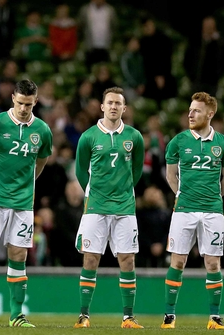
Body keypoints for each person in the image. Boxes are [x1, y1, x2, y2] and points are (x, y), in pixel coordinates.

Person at [0, 79, 53, 328]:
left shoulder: (43, 130)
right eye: (20, 103)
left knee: (19, 256)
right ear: (12, 99)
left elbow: (42, 160)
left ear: (35, 101)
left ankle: (16, 315)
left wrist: (27, 184)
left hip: (23, 202)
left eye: (28, 104)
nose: (24, 108)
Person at [160, 92, 224, 329]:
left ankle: (214, 317)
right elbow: (171, 175)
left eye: (197, 110)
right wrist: (181, 195)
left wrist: (213, 198)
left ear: (210, 114)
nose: (190, 114)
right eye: (190, 110)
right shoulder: (178, 141)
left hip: (213, 211)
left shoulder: (223, 143)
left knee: (213, 264)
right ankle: (169, 315)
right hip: (184, 210)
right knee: (178, 261)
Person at [73, 86, 145, 329]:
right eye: (110, 103)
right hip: (96, 207)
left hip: (125, 207)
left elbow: (136, 171)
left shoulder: (134, 137)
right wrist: (95, 193)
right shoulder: (89, 137)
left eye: (118, 103)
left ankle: (128, 317)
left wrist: (123, 191)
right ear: (102, 107)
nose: (114, 107)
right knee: (90, 259)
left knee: (127, 260)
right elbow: (81, 171)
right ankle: (84, 315)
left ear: (125, 108)